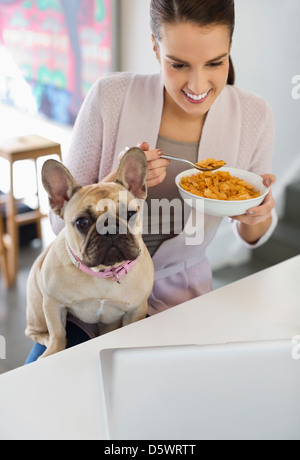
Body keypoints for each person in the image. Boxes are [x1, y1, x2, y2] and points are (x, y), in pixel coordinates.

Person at [26, 0, 277, 362]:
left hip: (181, 301)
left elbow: (251, 235)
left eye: (215, 62)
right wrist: (114, 183)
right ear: (155, 47)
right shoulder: (109, 98)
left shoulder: (255, 116)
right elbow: (58, 220)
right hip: (83, 299)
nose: (197, 84)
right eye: (178, 64)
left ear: (230, 49)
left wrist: (257, 214)